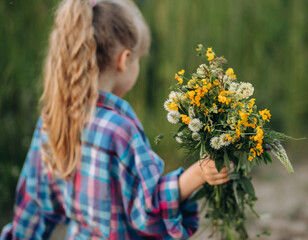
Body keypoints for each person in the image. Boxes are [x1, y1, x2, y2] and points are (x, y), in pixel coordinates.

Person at [0, 0, 231, 239]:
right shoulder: (120, 131)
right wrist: (197, 174)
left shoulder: (53, 119)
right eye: (138, 59)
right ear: (124, 59)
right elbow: (148, 211)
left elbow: (34, 205)